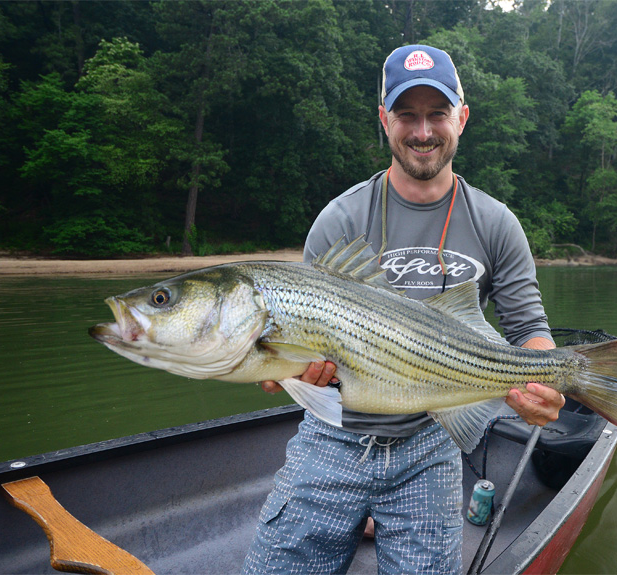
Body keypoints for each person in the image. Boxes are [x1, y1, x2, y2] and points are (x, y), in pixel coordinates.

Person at [241, 44, 565, 575]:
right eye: (406, 115)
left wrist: (545, 379)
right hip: (334, 434)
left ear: (461, 117)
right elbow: (299, 345)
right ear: (383, 120)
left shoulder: (496, 223)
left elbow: (529, 327)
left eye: (437, 113)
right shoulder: (339, 218)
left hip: (433, 437)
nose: (422, 131)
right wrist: (282, 368)